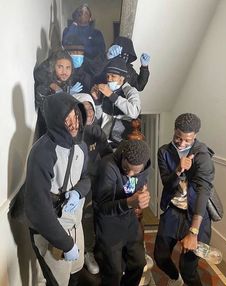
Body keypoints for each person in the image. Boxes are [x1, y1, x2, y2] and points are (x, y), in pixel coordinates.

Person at [24, 92, 90, 286]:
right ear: (55, 120)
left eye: (76, 116)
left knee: (74, 273)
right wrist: (65, 244)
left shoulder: (82, 146)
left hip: (75, 223)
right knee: (53, 279)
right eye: (66, 118)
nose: (73, 123)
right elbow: (38, 209)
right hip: (52, 228)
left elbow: (86, 177)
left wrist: (78, 192)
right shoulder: (42, 152)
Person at [154, 113, 215, 286]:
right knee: (160, 257)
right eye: (177, 137)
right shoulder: (164, 152)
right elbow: (167, 183)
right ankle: (175, 279)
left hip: (196, 214)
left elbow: (203, 193)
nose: (181, 143)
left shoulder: (203, 157)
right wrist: (178, 171)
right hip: (173, 210)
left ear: (195, 136)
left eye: (187, 140)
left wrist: (193, 232)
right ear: (174, 131)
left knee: (188, 269)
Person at [93, 140, 151, 286]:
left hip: (129, 219)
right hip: (108, 224)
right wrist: (129, 202)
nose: (130, 174)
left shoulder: (145, 166)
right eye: (126, 168)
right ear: (123, 156)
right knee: (114, 273)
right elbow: (102, 207)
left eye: (136, 171)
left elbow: (140, 184)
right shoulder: (108, 167)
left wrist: (142, 195)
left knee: (138, 263)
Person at [73, 93, 113, 275]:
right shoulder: (72, 132)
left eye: (90, 108)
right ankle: (88, 251)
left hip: (99, 181)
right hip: (82, 185)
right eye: (83, 108)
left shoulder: (97, 130)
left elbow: (108, 155)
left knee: (104, 213)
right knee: (86, 217)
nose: (88, 112)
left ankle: (104, 250)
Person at [91, 57, 141, 148]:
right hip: (104, 141)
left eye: (113, 76)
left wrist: (112, 96)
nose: (109, 79)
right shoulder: (104, 90)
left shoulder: (131, 91)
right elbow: (98, 118)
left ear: (122, 78)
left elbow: (135, 112)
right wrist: (96, 100)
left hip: (122, 142)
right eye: (108, 76)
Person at [62, 3, 106, 73]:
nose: (83, 14)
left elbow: (100, 50)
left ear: (90, 18)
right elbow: (65, 43)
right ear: (75, 16)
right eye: (80, 12)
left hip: (90, 69)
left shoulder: (96, 33)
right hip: (71, 68)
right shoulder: (68, 30)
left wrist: (82, 49)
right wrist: (74, 25)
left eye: (86, 12)